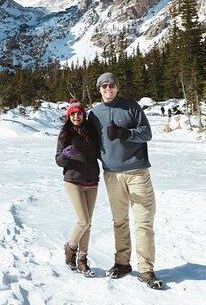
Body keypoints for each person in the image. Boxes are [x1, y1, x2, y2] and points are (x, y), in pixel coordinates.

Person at [88, 72, 163, 289]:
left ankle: (146, 269)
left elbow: (147, 134)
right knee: (119, 221)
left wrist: (124, 133)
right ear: (99, 89)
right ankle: (122, 263)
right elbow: (91, 142)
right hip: (111, 174)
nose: (108, 89)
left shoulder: (131, 107)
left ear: (117, 87)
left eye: (111, 85)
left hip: (137, 172)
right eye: (104, 86)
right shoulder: (95, 114)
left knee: (144, 223)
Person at [55, 98, 100, 277]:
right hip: (73, 180)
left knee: (88, 224)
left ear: (83, 114)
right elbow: (58, 160)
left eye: (78, 112)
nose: (76, 116)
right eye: (72, 113)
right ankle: (71, 247)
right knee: (83, 221)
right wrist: (66, 154)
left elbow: (101, 152)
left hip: (92, 180)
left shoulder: (92, 132)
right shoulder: (65, 134)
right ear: (69, 116)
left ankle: (82, 260)